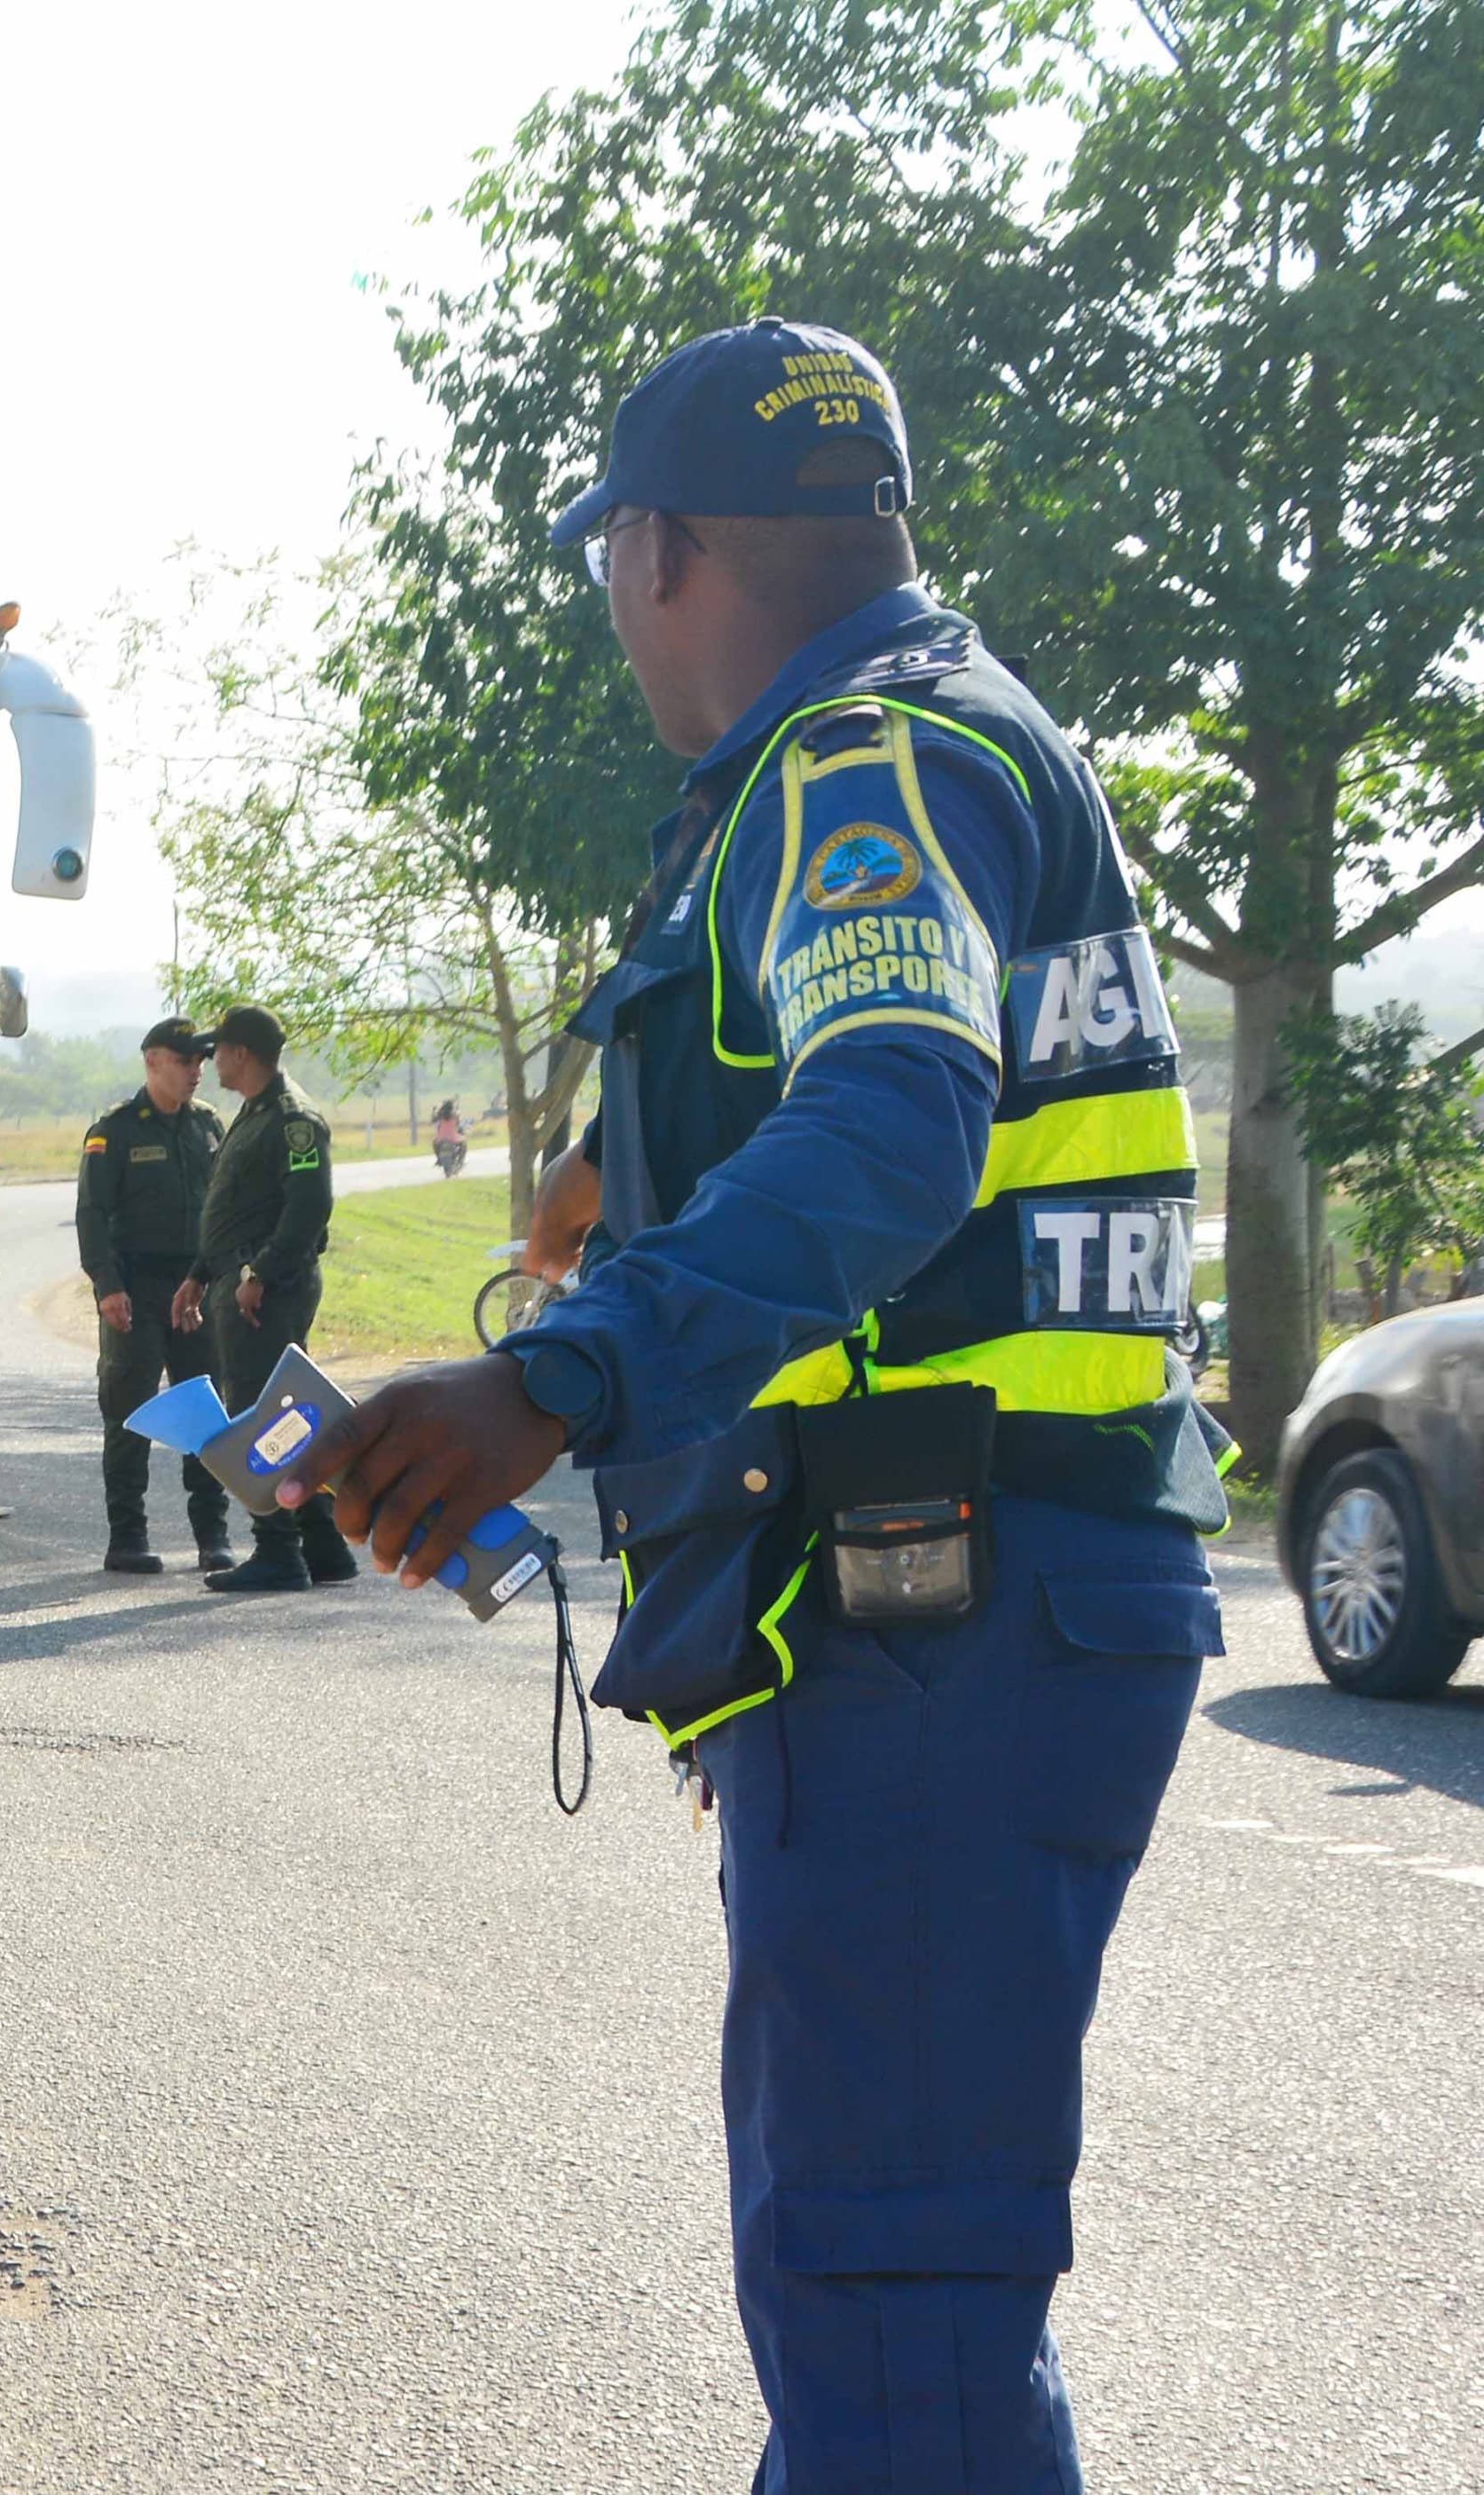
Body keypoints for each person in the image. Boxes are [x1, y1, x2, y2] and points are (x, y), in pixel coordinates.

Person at [280, 319, 1226, 2489]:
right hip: (948, 1614)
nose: (617, 612)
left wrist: (555, 1374)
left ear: (665, 546)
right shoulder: (966, 738)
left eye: (612, 560)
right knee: (898, 2296)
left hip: (941, 1623)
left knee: (888, 2303)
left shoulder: (857, 762)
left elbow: (896, 1122)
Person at [176, 1005, 353, 1593]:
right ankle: (323, 1546)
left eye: (216, 1049)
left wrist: (262, 1274)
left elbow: (308, 1208)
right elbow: (236, 1208)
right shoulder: (253, 1115)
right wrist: (201, 1274)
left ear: (241, 1053)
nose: (209, 1060)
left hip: (267, 1290)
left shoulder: (292, 1119)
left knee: (262, 1416)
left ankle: (278, 1551)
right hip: (241, 1280)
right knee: (286, 1413)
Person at [75, 1017, 231, 1575]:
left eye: (201, 1061)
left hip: (196, 1291)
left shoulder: (209, 1126)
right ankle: (127, 1536)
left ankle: (213, 1535)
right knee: (129, 1410)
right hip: (135, 1291)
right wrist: (107, 1286)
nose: (197, 1071)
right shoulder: (114, 1131)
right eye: (186, 1060)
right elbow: (91, 1214)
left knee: (206, 1412)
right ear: (153, 1062)